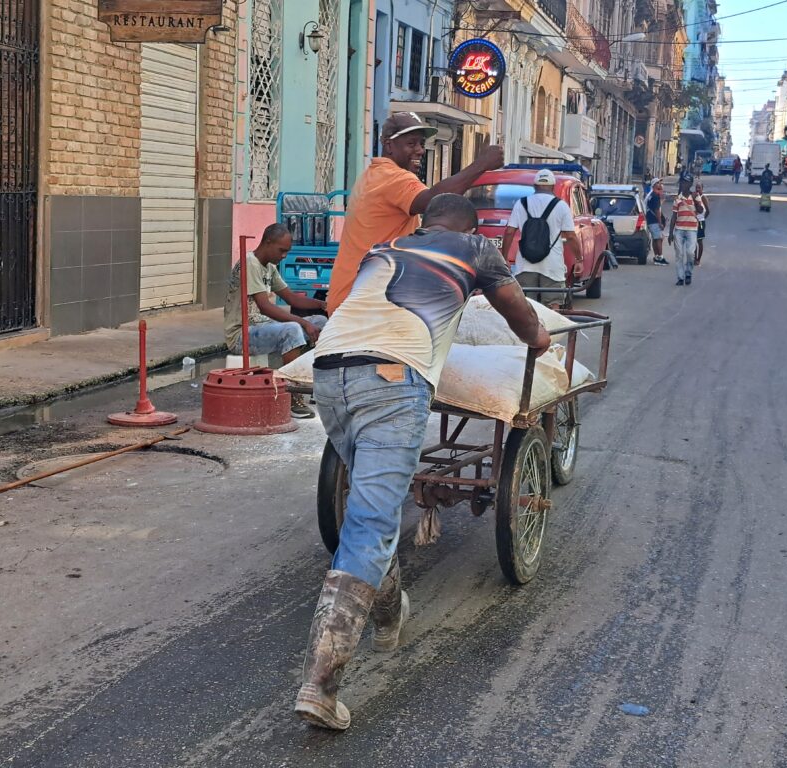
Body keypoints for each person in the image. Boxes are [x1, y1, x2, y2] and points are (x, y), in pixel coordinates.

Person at [294, 194, 550, 730]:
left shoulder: (385, 247)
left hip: (330, 374)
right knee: (368, 522)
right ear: (470, 226)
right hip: (393, 380)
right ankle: (320, 684)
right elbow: (519, 314)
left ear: (425, 223)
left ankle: (390, 612)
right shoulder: (478, 248)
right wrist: (539, 338)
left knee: (371, 509)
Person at [326, 112, 504, 314]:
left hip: (355, 297)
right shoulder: (393, 178)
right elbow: (434, 202)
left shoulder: (373, 175)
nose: (420, 150)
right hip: (365, 303)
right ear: (389, 145)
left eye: (421, 144)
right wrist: (481, 165)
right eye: (411, 144)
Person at [224, 224, 328, 418]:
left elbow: (292, 298)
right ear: (268, 242)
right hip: (242, 334)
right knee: (292, 329)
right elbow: (265, 306)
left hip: (262, 327)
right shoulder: (250, 263)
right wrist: (303, 323)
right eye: (281, 251)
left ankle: (313, 385)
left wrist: (324, 304)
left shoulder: (269, 267)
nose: (284, 256)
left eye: (287, 252)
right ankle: (292, 397)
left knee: (321, 322)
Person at [501, 168, 582, 309]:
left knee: (525, 308)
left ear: (534, 186)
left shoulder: (521, 204)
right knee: (553, 306)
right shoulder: (561, 206)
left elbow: (509, 232)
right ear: (553, 186)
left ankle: (527, 331)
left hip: (525, 265)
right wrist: (579, 259)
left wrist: (504, 257)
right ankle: (554, 331)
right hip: (552, 265)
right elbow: (570, 236)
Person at [668, 172, 701, 286]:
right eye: (682, 182)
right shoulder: (677, 199)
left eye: (686, 182)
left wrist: (696, 201)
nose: (683, 185)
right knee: (679, 254)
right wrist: (670, 233)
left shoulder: (695, 197)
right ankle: (680, 277)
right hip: (679, 229)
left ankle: (688, 273)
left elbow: (701, 210)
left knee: (690, 253)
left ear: (690, 184)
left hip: (692, 229)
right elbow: (673, 217)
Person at [646, 178, 669, 265]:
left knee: (655, 239)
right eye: (658, 183)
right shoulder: (655, 196)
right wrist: (660, 222)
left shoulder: (651, 195)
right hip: (654, 220)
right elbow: (657, 210)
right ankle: (660, 257)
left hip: (650, 220)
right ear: (654, 185)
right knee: (659, 239)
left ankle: (656, 257)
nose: (660, 184)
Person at [694, 181, 711, 265]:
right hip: (694, 222)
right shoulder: (694, 197)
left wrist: (702, 218)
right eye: (696, 187)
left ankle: (698, 259)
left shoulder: (703, 197)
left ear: (702, 189)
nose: (697, 189)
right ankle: (694, 258)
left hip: (700, 222)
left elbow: (708, 211)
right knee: (693, 241)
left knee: (699, 241)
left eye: (699, 188)